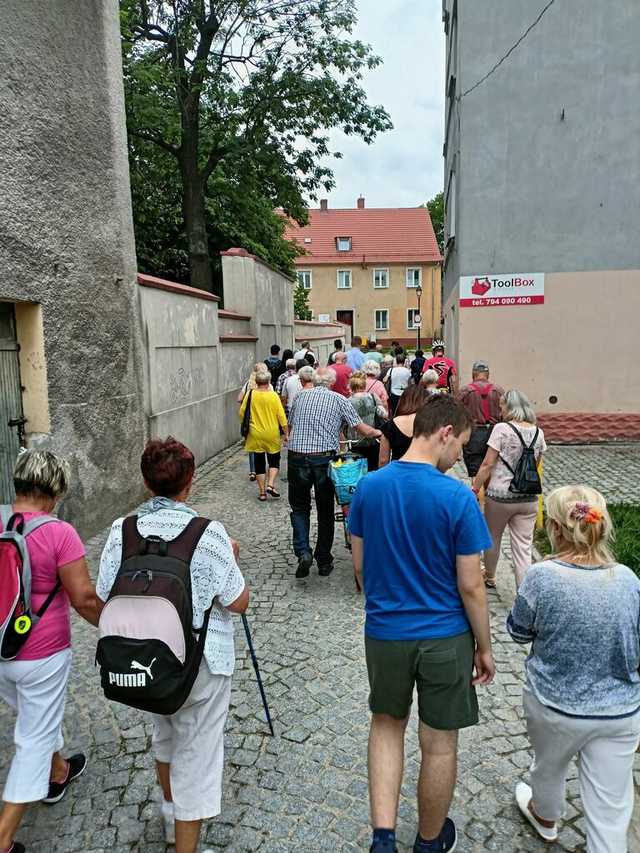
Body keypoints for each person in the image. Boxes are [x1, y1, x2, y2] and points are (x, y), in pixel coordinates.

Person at [348, 395, 494, 853]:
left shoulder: (370, 488)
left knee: (387, 726)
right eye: (461, 447)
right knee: (439, 744)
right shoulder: (456, 496)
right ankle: (429, 843)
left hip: (387, 632)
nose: (459, 458)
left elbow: (360, 568)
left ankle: (383, 838)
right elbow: (471, 585)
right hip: (445, 635)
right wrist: (485, 647)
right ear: (445, 433)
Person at [96, 438, 249, 853]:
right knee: (197, 760)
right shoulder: (208, 533)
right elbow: (238, 601)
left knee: (164, 735)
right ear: (190, 482)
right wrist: (230, 558)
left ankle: (169, 817)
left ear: (147, 483)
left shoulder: (120, 530)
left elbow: (102, 590)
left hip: (146, 657)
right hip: (200, 664)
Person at [508, 485, 640, 851]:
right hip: (619, 712)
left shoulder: (542, 577)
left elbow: (518, 632)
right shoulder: (629, 580)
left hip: (555, 704)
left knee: (547, 766)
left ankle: (546, 816)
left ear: (553, 528)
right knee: (612, 807)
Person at [0, 451, 98, 853]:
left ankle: (58, 773)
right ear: (54, 491)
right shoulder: (59, 533)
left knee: (34, 714)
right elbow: (84, 598)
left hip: (3, 650)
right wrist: (116, 626)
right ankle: (3, 838)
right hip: (42, 652)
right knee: (33, 741)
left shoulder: (1, 520)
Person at [287, 367, 381, 578]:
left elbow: (290, 426)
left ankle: (303, 552)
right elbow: (359, 427)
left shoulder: (300, 397)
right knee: (325, 510)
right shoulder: (339, 399)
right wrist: (380, 433)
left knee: (299, 508)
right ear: (331, 382)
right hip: (323, 458)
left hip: (296, 457)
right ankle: (323, 560)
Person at [472, 389, 547, 589]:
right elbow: (536, 463)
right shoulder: (538, 432)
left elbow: (488, 464)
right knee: (523, 546)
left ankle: (489, 576)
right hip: (528, 497)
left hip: (500, 496)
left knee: (492, 537)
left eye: (502, 405)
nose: (500, 409)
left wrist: (475, 487)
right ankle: (523, 590)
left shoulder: (502, 429)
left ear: (511, 406)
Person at [239, 371, 289, 500]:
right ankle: (271, 485)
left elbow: (242, 413)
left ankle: (262, 493)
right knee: (274, 460)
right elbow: (281, 417)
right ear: (268, 381)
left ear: (256, 381)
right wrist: (286, 432)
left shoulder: (250, 394)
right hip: (272, 433)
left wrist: (248, 426)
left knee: (259, 462)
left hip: (255, 433)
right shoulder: (273, 396)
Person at [457, 361, 503, 480]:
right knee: (491, 467)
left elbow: (457, 413)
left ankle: (479, 497)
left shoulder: (465, 390)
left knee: (476, 473)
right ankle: (488, 496)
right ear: (488, 374)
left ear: (473, 374)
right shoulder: (499, 390)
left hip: (474, 434)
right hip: (495, 432)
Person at [237, 363, 272, 483]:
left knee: (253, 447)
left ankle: (253, 471)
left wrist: (244, 418)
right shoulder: (269, 387)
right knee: (265, 447)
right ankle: (264, 470)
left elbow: (239, 399)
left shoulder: (248, 384)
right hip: (267, 421)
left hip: (252, 421)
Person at [378, 385, 429, 467]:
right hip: (423, 473)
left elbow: (383, 460)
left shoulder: (390, 425)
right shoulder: (430, 423)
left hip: (398, 474)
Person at [346, 372, 387, 473]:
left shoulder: (347, 401)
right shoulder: (373, 397)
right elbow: (384, 414)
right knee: (373, 470)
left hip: (355, 442)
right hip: (373, 439)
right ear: (364, 385)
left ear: (351, 386)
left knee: (357, 472)